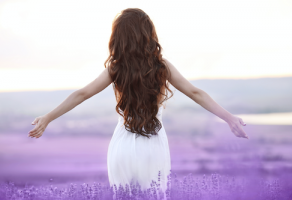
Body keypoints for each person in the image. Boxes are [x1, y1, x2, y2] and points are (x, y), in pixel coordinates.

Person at [28, 8, 248, 199]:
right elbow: (195, 92)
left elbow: (82, 94)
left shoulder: (116, 68)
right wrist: (229, 118)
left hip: (122, 147)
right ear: (148, 35)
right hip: (153, 146)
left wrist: (47, 118)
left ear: (119, 38)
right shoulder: (161, 66)